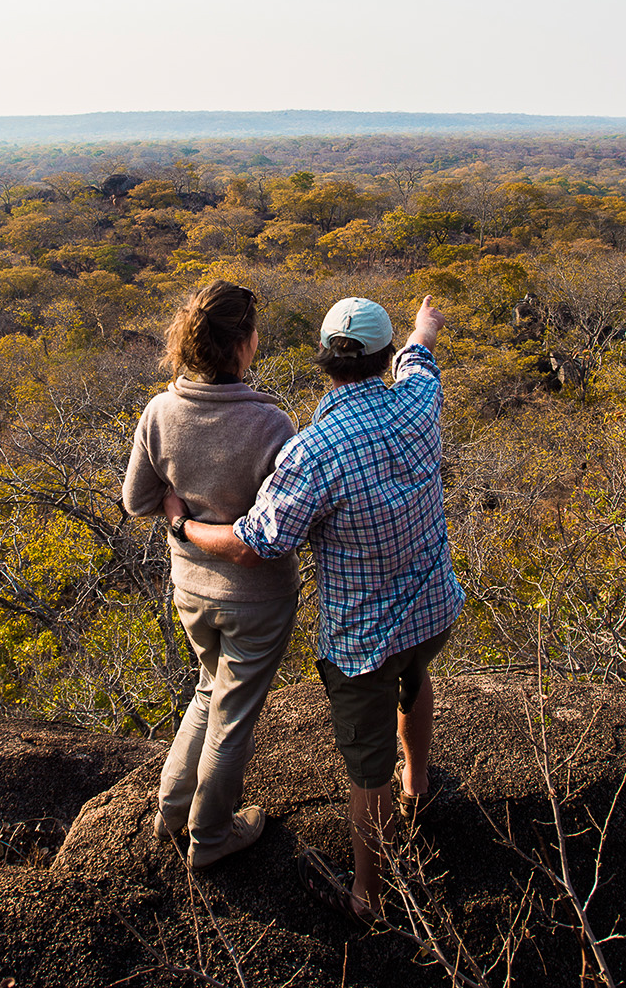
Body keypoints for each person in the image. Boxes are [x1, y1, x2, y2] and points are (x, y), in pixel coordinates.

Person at [166, 294, 462, 918]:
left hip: (363, 639)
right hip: (432, 607)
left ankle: (368, 896)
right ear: (383, 357)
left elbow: (255, 543)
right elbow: (420, 360)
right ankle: (420, 784)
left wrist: (186, 529)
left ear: (325, 360)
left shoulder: (313, 451)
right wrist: (422, 329)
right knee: (418, 678)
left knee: (365, 772)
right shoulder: (418, 401)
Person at [121, 279, 298, 870]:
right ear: (243, 344)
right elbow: (282, 526)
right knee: (234, 715)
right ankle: (209, 837)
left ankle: (171, 811)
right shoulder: (270, 423)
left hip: (191, 588)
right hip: (257, 596)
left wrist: (180, 512)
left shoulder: (161, 410)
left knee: (206, 688)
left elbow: (137, 500)